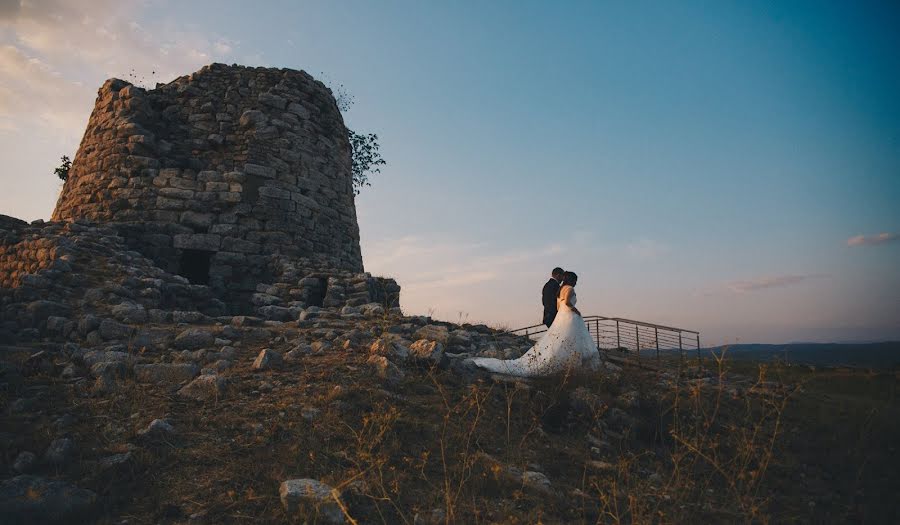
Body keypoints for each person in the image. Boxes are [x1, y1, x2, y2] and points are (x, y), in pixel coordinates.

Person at [470, 271, 600, 377]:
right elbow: (567, 303)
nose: (576, 282)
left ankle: (565, 360)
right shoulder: (569, 288)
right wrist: (575, 310)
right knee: (570, 339)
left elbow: (559, 305)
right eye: (575, 280)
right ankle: (570, 363)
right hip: (570, 317)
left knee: (561, 340)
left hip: (562, 316)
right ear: (572, 280)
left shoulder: (560, 289)